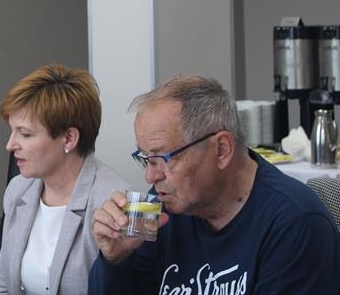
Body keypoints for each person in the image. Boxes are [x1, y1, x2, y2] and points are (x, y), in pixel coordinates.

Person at [88, 75, 340, 294]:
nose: (151, 177)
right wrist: (116, 260)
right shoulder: (167, 207)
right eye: (146, 159)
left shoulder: (295, 223)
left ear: (221, 149)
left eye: (163, 159)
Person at [0, 65, 129, 295]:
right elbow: (3, 284)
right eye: (12, 131)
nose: (10, 145)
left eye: (25, 134)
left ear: (68, 138)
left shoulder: (112, 203)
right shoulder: (19, 190)